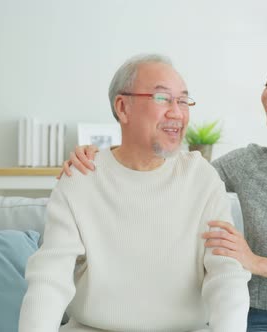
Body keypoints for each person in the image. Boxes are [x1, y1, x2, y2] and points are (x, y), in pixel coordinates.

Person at [62, 44, 267, 331]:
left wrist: (255, 262)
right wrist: (100, 162)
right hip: (256, 318)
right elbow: (168, 177)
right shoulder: (245, 164)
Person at [19, 54, 251, 332]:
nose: (177, 112)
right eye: (163, 98)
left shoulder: (201, 178)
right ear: (123, 107)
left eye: (183, 100)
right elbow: (50, 279)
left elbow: (226, 275)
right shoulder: (81, 178)